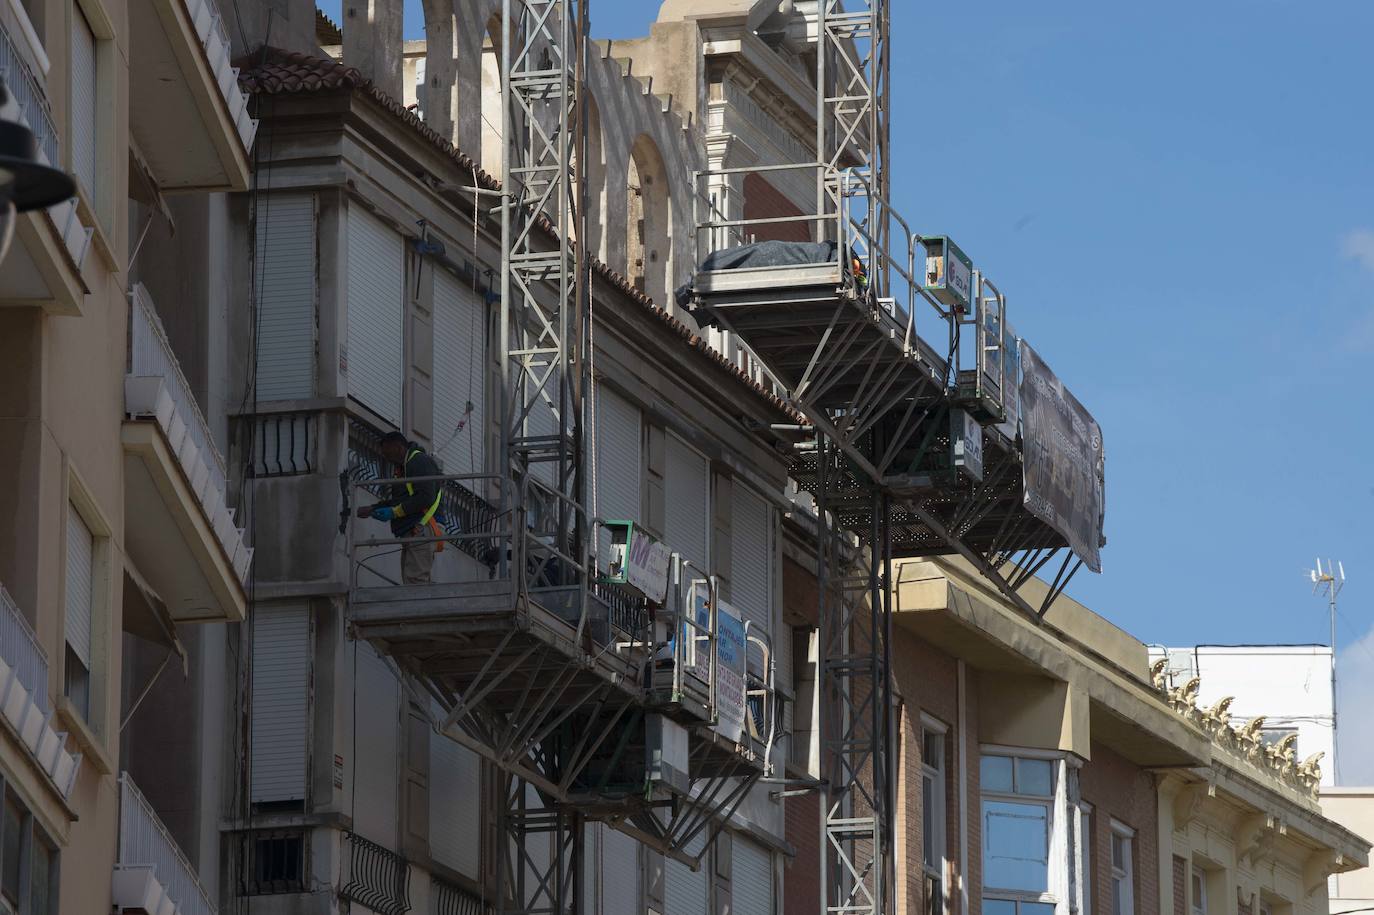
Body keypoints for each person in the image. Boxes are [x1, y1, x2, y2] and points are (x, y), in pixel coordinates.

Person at [356, 431, 443, 584]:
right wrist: (373, 508)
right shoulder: (405, 467)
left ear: (397, 447)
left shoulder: (418, 462)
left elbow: (425, 497)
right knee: (413, 579)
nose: (385, 457)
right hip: (416, 528)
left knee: (415, 581)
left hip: (422, 527)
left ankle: (423, 607)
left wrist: (394, 512)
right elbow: (401, 500)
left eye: (386, 452)